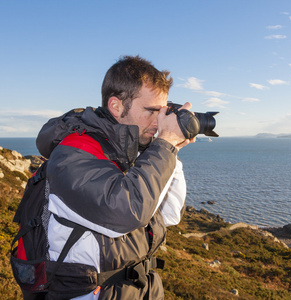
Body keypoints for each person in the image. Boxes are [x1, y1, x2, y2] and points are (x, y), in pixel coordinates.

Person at [35, 55, 194, 299]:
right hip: (90, 291)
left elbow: (169, 214)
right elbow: (125, 212)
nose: (158, 121)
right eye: (151, 111)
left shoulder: (127, 150)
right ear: (116, 106)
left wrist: (173, 150)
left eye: (162, 112)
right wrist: (165, 144)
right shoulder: (74, 153)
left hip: (139, 288)